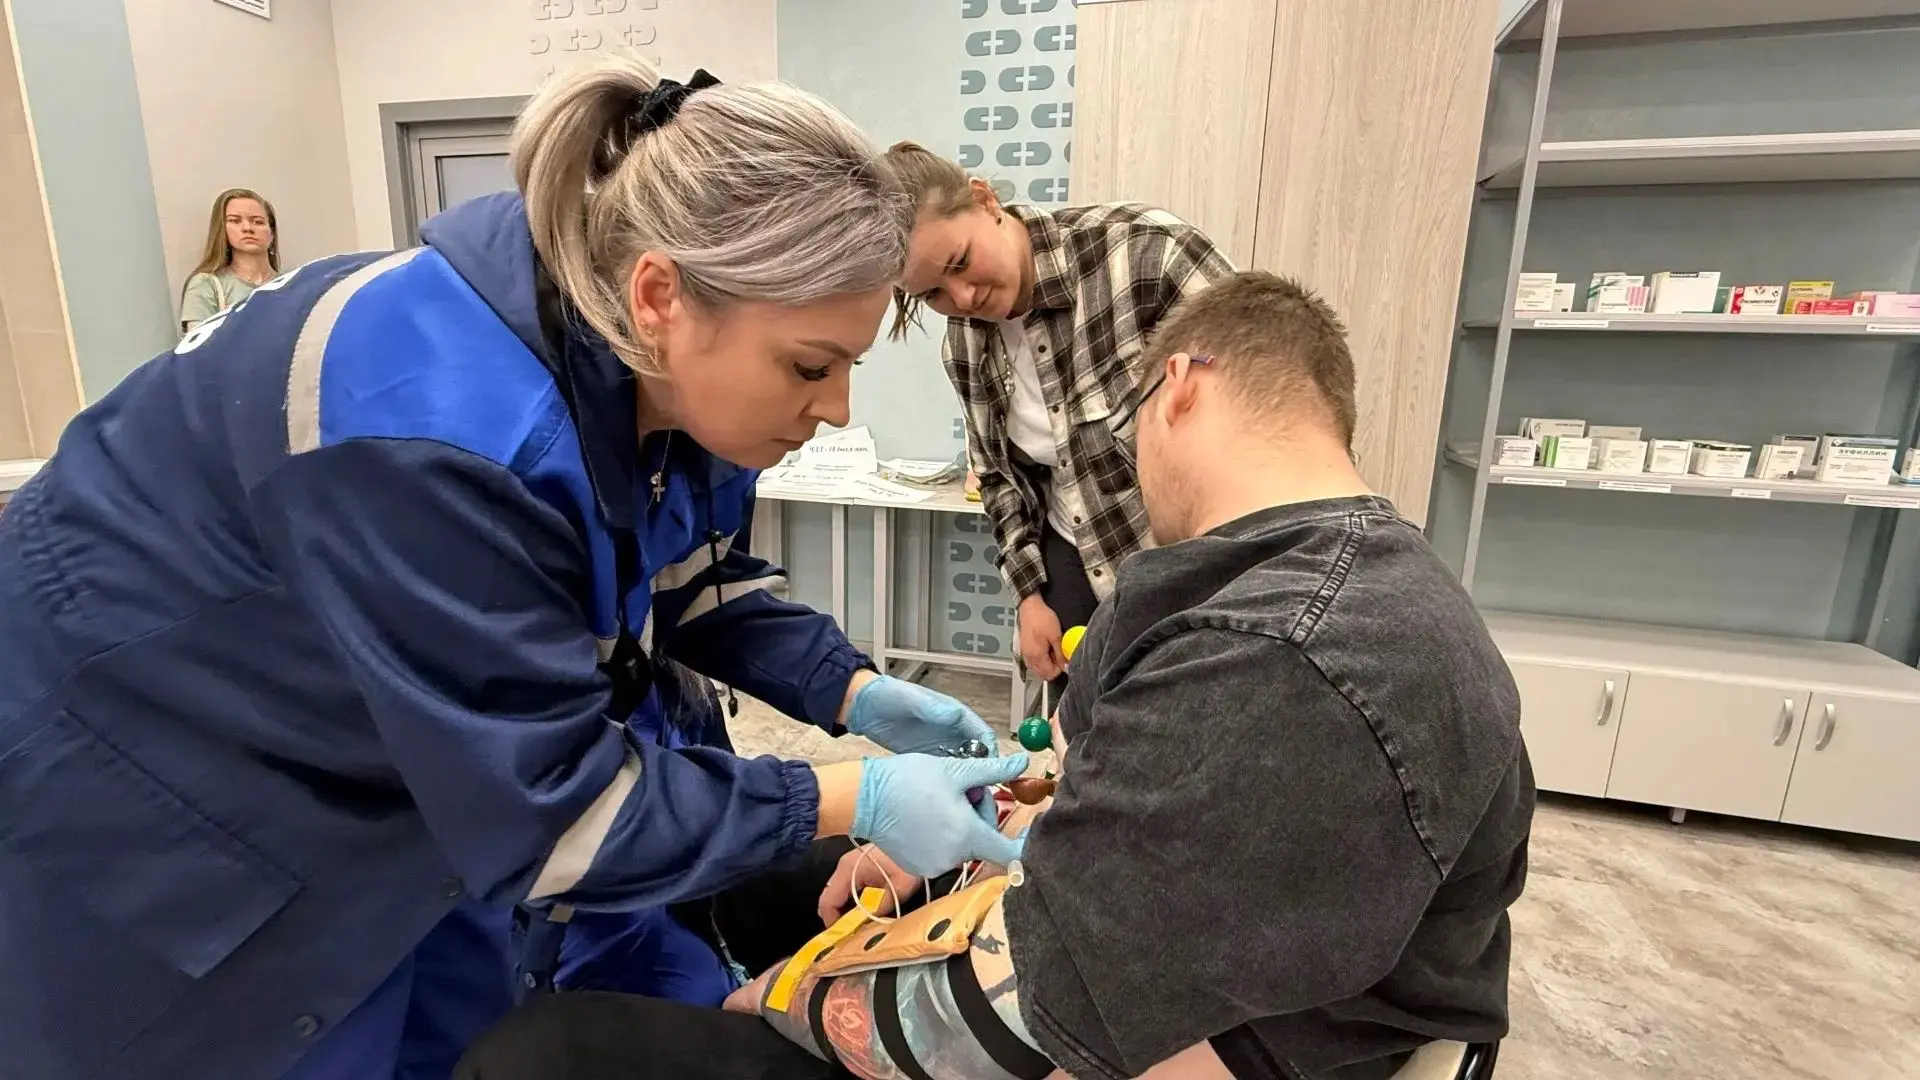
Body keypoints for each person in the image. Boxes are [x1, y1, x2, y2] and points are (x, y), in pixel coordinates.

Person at [0, 59, 1030, 1080]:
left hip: (403, 751)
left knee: (470, 1009)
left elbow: (683, 572)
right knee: (293, 1014)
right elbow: (553, 818)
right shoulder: (435, 435)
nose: (837, 409)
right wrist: (844, 798)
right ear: (661, 294)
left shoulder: (647, 364)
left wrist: (850, 689)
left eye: (850, 365)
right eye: (811, 365)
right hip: (159, 762)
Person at [455, 272, 1536, 1080]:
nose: (832, 408)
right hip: (1178, 964)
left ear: (1177, 387)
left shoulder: (1283, 657)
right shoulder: (1299, 580)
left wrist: (796, 997)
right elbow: (1125, 812)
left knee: (541, 1054)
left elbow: (1035, 1006)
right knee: (741, 880)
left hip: (1182, 1031)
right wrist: (904, 763)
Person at [884, 142, 1236, 698]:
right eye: (933, 295)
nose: (964, 298)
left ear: (985, 200)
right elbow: (1001, 479)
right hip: (1073, 561)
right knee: (1074, 733)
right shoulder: (966, 346)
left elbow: (1270, 410)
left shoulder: (1146, 254)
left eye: (960, 262)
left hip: (1195, 569)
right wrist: (1029, 598)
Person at [180, 187, 281, 334]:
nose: (247, 228)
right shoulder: (206, 284)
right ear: (222, 229)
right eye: (235, 221)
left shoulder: (294, 284)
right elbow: (199, 345)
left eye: (258, 222)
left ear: (271, 233)